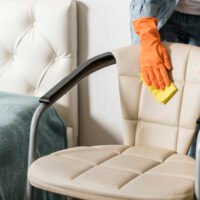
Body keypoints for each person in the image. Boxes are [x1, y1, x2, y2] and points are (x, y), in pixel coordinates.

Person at [129, 0, 200, 158]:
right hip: (163, 15)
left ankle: (192, 175)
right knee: (156, 102)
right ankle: (150, 170)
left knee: (196, 108)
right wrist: (147, 35)